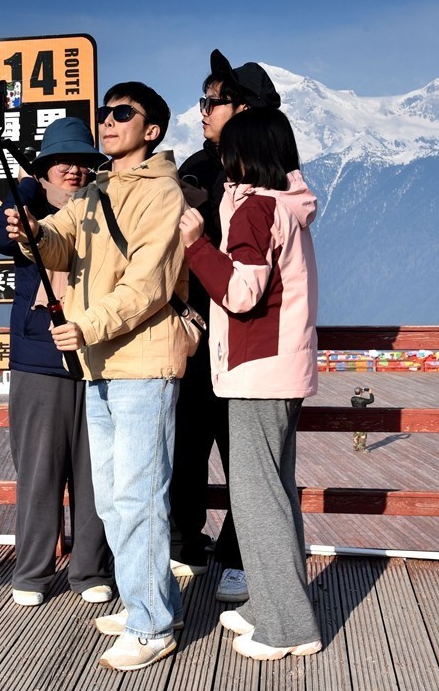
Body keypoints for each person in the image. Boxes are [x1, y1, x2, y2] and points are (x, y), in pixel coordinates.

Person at [5, 82, 195, 673]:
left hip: (140, 361)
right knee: (113, 496)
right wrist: (35, 234)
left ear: (152, 130)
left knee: (139, 496)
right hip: (102, 365)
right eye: (103, 114)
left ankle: (152, 625)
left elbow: (149, 284)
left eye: (121, 114)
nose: (107, 123)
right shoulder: (95, 192)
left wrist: (86, 325)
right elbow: (64, 243)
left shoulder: (162, 194)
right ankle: (150, 600)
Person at [179, 107, 322, 661]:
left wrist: (195, 243)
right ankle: (268, 604)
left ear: (247, 154)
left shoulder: (256, 210)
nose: (225, 162)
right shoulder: (291, 205)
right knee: (276, 492)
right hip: (286, 366)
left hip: (258, 369)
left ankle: (287, 625)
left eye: (230, 152)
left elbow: (241, 294)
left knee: (257, 497)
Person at [0, 116, 113, 609]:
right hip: (39, 356)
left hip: (98, 351)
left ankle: (89, 568)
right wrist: (26, 188)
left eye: (82, 161)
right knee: (39, 470)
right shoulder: (23, 205)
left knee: (94, 470)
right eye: (61, 162)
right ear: (42, 167)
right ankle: (33, 570)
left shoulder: (104, 206)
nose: (73, 171)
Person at [172, 49, 283, 602]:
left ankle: (240, 555)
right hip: (195, 335)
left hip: (244, 338)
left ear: (243, 109)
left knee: (243, 457)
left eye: (211, 102)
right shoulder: (195, 165)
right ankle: (185, 543)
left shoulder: (265, 179)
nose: (202, 111)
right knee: (186, 447)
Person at [351, 387, 374, 451]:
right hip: (362, 419)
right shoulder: (363, 400)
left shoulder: (352, 399)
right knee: (363, 434)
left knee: (356, 433)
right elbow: (371, 400)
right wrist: (370, 393)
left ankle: (355, 446)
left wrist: (361, 391)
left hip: (355, 418)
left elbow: (358, 396)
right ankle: (362, 448)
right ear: (360, 392)